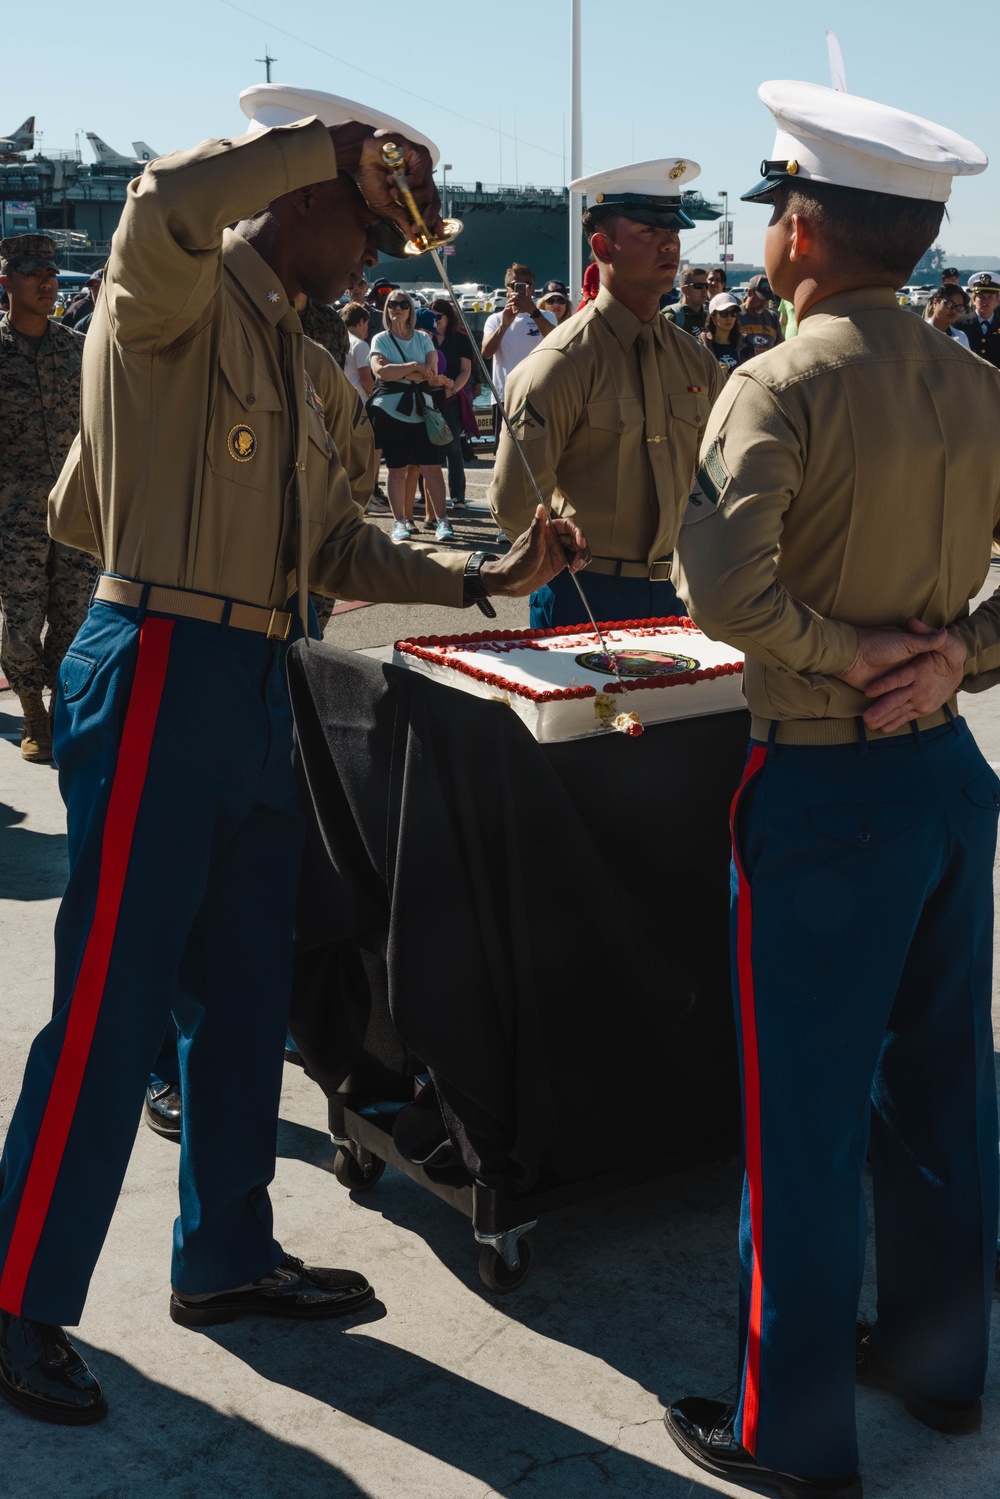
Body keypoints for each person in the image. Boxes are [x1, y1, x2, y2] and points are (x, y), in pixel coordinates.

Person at [0, 82, 588, 1428]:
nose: (384, 252)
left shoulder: (311, 367)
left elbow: (340, 546)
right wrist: (329, 143)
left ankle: (224, 1254)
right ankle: (17, 1291)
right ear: (311, 195)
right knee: (114, 1001)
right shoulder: (174, 302)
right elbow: (160, 199)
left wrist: (487, 570)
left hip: (258, 677)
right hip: (153, 660)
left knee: (245, 989)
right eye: (371, 219)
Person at [665, 79, 996, 1499]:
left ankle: (787, 1428)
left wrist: (842, 650)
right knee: (940, 1092)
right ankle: (938, 1362)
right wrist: (958, 657)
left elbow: (723, 584)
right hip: (944, 784)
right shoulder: (977, 381)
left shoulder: (778, 381)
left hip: (820, 788)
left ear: (801, 228)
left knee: (797, 1118)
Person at [490, 157, 724, 628]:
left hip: (683, 591)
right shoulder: (560, 365)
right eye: (648, 231)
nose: (669, 243)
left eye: (674, 232)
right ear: (603, 245)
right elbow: (514, 503)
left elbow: (720, 475)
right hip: (586, 594)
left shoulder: (695, 361)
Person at [0, 234, 98, 763]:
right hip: (14, 518)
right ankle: (31, 708)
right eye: (34, 272)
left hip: (76, 512)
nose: (47, 282)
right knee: (21, 619)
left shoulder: (78, 350)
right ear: (6, 281)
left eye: (52, 273)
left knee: (74, 617)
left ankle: (62, 710)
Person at [368, 289, 454, 542]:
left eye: (404, 304)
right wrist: (416, 367)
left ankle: (442, 520)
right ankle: (400, 522)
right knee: (396, 469)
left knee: (432, 468)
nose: (398, 308)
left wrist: (404, 371)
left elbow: (432, 373)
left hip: (421, 410)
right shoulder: (380, 339)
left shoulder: (423, 339)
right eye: (393, 304)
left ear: (411, 310)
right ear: (386, 309)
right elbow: (380, 373)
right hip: (390, 411)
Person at [481, 264, 556, 443]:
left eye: (526, 284)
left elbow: (555, 341)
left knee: (537, 449)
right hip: (504, 396)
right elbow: (486, 353)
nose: (521, 290)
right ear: (507, 290)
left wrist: (533, 312)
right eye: (515, 286)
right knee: (504, 451)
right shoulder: (495, 319)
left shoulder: (547, 316)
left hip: (538, 394)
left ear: (533, 288)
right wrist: (505, 324)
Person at [430, 297, 473, 509]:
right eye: (431, 317)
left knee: (453, 447)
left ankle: (458, 496)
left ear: (448, 317)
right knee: (428, 448)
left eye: (438, 317)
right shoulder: (423, 339)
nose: (435, 321)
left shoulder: (460, 339)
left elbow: (466, 369)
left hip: (452, 399)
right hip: (428, 398)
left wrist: (452, 389)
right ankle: (426, 497)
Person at [699, 291, 748, 376]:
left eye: (733, 313)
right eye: (724, 313)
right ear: (713, 317)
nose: (729, 317)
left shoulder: (745, 344)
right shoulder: (703, 345)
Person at [958, 270, 1000, 366]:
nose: (986, 301)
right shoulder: (960, 323)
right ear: (973, 299)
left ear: (997, 300)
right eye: (981, 296)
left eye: (990, 297)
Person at [738, 271, 783, 355]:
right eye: (761, 299)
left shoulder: (772, 317)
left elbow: (780, 346)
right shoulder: (736, 316)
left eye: (766, 300)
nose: (764, 304)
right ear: (750, 293)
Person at [661, 265, 711, 336]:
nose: (704, 290)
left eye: (706, 286)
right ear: (684, 290)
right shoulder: (673, 317)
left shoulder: (708, 319)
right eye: (698, 286)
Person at [342, 300, 374, 398]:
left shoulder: (337, 340)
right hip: (357, 401)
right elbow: (366, 381)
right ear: (361, 321)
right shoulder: (361, 345)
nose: (367, 329)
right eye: (366, 324)